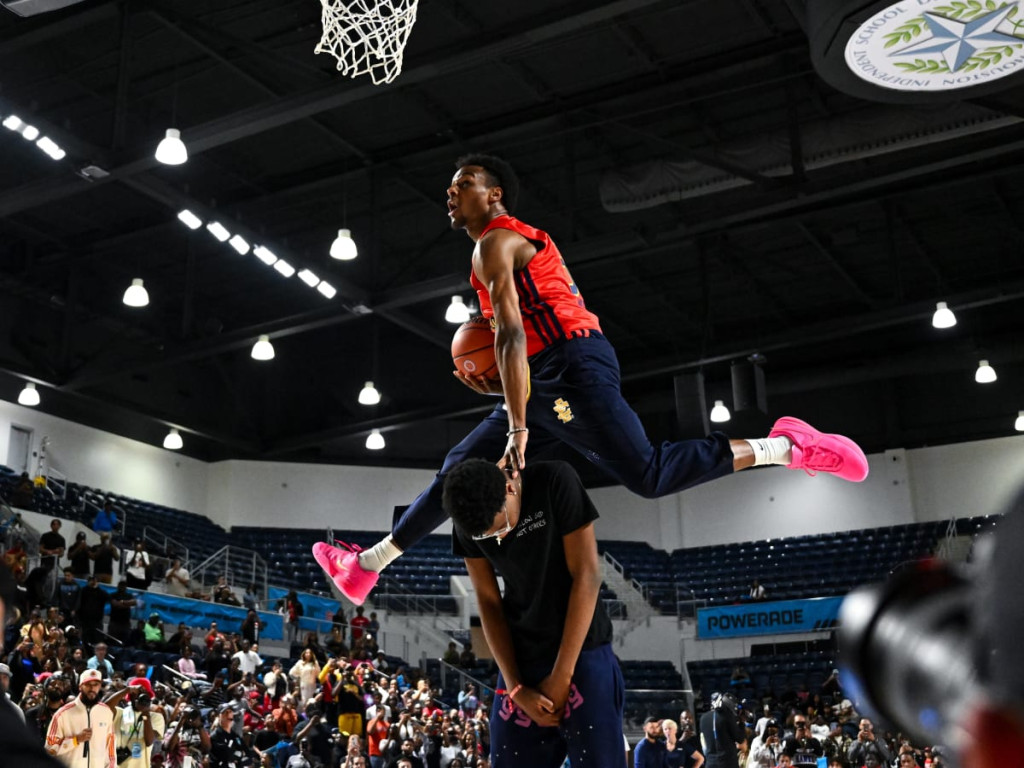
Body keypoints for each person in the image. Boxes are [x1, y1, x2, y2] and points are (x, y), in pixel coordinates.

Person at [313, 154, 870, 605]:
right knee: (461, 469)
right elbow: (507, 336)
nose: (452, 192)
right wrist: (500, 386)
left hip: (570, 366)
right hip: (547, 372)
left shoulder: (495, 241)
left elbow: (508, 335)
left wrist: (516, 426)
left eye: (464, 183)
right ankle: (366, 566)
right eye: (451, 186)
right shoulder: (492, 252)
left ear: (495, 194)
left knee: (649, 475)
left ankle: (788, 446)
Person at [443, 458, 625, 767]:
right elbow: (488, 601)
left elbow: (587, 575)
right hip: (522, 656)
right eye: (487, 537)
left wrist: (562, 675)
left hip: (583, 650)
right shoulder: (468, 523)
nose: (498, 540)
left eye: (500, 528)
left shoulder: (555, 480)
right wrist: (514, 687)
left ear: (509, 488)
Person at [44, 667, 116, 767]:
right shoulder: (62, 713)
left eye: (96, 685)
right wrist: (75, 740)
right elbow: (50, 749)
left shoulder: (106, 712)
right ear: (80, 687)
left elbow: (111, 750)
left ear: (100, 686)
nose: (92, 688)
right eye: (88, 684)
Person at [108, 684, 164, 768]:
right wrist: (127, 690)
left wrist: (145, 713)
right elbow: (103, 708)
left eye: (145, 695)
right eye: (138, 693)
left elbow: (149, 741)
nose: (141, 697)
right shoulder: (120, 713)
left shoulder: (155, 717)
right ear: (131, 696)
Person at [699, 692, 744, 768]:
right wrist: (741, 723)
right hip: (728, 763)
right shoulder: (727, 716)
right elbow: (739, 738)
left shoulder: (703, 718)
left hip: (710, 763)